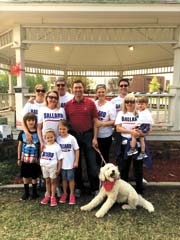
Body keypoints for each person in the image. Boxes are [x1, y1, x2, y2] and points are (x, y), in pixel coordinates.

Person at [65, 79, 99, 197]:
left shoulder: (90, 103)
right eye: (76, 88)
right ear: (72, 90)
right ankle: (78, 187)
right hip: (74, 136)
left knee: (92, 164)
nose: (78, 90)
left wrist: (95, 137)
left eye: (80, 87)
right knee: (76, 163)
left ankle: (94, 188)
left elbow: (95, 121)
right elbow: (66, 123)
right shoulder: (68, 105)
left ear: (83, 89)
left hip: (88, 135)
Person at [115, 93, 147, 194]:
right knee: (124, 167)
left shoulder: (140, 114)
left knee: (138, 166)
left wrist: (141, 133)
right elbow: (118, 128)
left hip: (137, 142)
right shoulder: (121, 114)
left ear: (135, 103)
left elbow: (147, 127)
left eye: (132, 102)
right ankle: (124, 190)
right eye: (127, 101)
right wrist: (130, 132)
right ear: (124, 103)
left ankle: (139, 189)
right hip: (125, 143)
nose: (129, 104)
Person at [17, 112, 40, 200]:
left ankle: (34, 193)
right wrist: (19, 158)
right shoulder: (22, 133)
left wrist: (40, 158)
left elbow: (40, 146)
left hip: (35, 159)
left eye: (33, 120)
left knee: (34, 176)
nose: (31, 122)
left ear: (35, 121)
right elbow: (19, 146)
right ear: (25, 122)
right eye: (29, 120)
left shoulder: (38, 133)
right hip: (25, 159)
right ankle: (26, 193)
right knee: (25, 176)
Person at [57, 120, 79, 204]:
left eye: (64, 129)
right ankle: (65, 193)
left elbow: (77, 150)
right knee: (64, 179)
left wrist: (76, 161)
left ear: (68, 129)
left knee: (71, 179)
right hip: (62, 164)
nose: (62, 131)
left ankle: (72, 194)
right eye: (60, 129)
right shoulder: (58, 139)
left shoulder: (71, 138)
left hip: (70, 164)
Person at [40, 128, 63, 207]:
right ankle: (48, 195)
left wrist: (59, 168)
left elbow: (60, 159)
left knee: (53, 182)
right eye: (47, 137)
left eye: (51, 137)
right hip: (45, 167)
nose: (49, 139)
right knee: (47, 181)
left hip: (53, 167)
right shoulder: (44, 146)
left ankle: (53, 197)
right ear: (45, 138)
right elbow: (42, 157)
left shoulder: (57, 147)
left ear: (54, 137)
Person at [94, 84, 116, 165]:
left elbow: (113, 121)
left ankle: (106, 176)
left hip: (106, 136)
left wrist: (102, 124)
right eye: (99, 92)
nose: (101, 94)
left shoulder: (110, 105)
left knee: (105, 156)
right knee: (96, 156)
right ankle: (98, 175)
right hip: (95, 135)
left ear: (105, 93)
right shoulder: (94, 104)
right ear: (96, 93)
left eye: (103, 92)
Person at [127, 96, 154, 160]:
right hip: (143, 125)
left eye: (142, 104)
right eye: (138, 104)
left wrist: (136, 125)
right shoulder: (141, 111)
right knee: (141, 139)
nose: (140, 105)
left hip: (144, 126)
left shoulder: (145, 112)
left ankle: (133, 148)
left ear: (146, 104)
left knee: (133, 134)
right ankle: (142, 152)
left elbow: (143, 121)